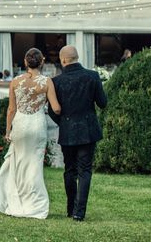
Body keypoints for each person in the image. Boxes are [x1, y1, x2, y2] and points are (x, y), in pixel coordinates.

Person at [0, 48, 61, 219]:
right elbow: (56, 108)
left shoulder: (15, 82)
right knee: (34, 165)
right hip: (37, 125)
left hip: (20, 125)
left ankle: (17, 202)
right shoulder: (47, 82)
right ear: (42, 62)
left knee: (19, 163)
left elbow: (11, 109)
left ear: (25, 62)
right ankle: (35, 206)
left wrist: (8, 130)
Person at [49, 45, 107, 222]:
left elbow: (52, 110)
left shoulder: (56, 81)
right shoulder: (92, 76)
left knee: (70, 170)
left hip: (67, 130)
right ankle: (79, 212)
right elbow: (103, 103)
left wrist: (64, 123)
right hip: (88, 130)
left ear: (64, 60)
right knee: (85, 170)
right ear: (77, 57)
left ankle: (70, 208)